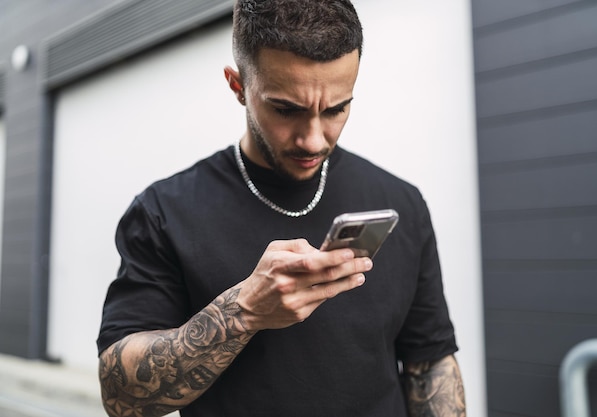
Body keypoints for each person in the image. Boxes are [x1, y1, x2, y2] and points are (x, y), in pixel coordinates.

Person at [97, 0, 466, 416]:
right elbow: (121, 398)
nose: (312, 140)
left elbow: (429, 362)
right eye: (286, 109)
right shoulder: (164, 212)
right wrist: (244, 311)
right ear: (237, 86)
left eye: (336, 109)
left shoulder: (402, 203)